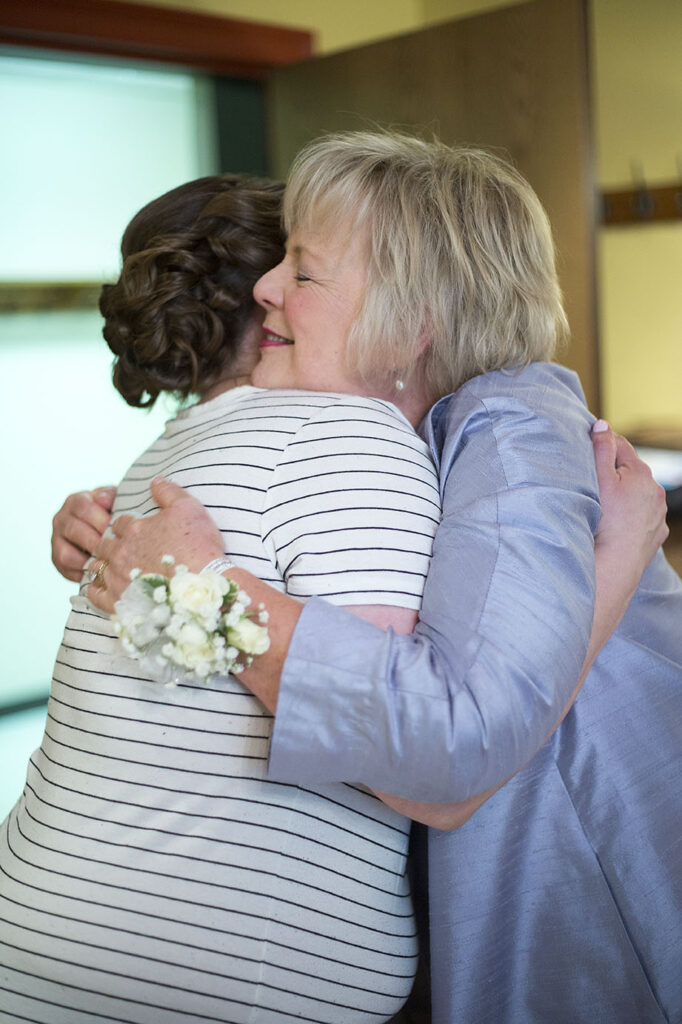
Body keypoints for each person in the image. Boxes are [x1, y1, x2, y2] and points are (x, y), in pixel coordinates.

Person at [76, 131, 681, 1024]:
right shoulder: (375, 427)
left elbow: (451, 754)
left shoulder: (514, 436)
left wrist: (198, 590)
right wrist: (108, 540)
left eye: (305, 274)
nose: (267, 289)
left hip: (585, 861)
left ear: (414, 318)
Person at [0, 172, 463, 1024]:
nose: (279, 287)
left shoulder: (162, 455)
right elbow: (412, 754)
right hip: (214, 969)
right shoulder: (351, 435)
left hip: (38, 919)